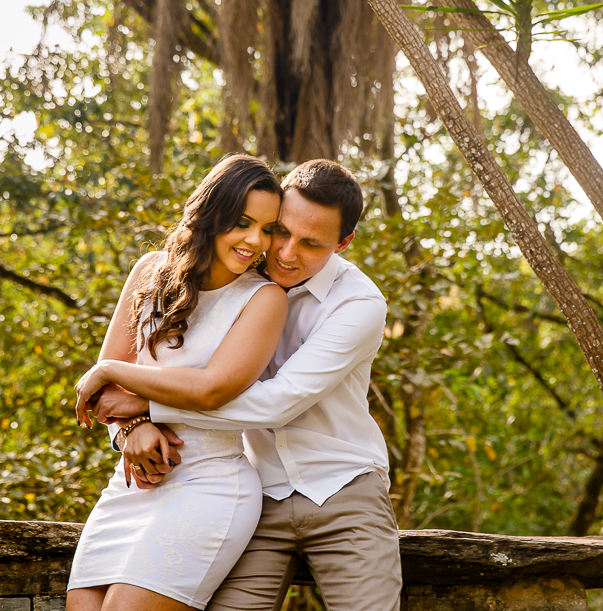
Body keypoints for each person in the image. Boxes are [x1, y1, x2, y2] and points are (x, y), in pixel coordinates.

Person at [92, 159, 403, 611]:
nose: (287, 253)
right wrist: (133, 423)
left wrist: (148, 406)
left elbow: (276, 403)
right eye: (281, 231)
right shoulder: (231, 277)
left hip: (343, 488)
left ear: (343, 243)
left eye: (311, 244)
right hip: (259, 493)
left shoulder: (358, 303)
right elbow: (143, 362)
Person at [67, 154, 289, 611]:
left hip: (210, 485)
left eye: (267, 229)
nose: (255, 241)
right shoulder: (149, 272)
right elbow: (104, 397)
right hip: (132, 482)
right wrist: (133, 427)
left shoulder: (264, 298)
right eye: (243, 223)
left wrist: (112, 372)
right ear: (212, 214)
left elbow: (211, 389)